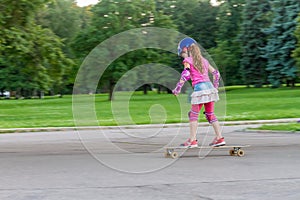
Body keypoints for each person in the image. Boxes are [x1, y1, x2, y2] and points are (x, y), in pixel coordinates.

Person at [173, 38, 225, 147]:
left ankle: (192, 140)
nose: (182, 56)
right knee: (210, 114)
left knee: (193, 115)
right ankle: (220, 138)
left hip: (200, 89)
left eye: (182, 53)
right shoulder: (204, 60)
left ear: (186, 50)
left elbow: (186, 74)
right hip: (210, 89)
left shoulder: (188, 61)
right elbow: (216, 74)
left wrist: (178, 88)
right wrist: (215, 87)